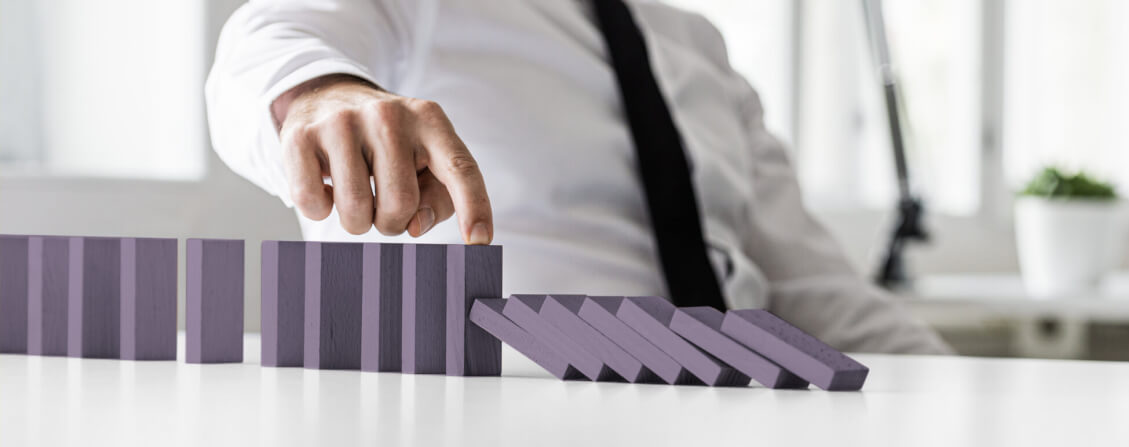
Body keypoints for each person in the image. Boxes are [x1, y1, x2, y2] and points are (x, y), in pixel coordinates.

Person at [206, 0, 950, 354]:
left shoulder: (698, 47)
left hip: (741, 414)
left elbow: (826, 300)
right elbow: (267, 41)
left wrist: (995, 399)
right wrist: (320, 92)